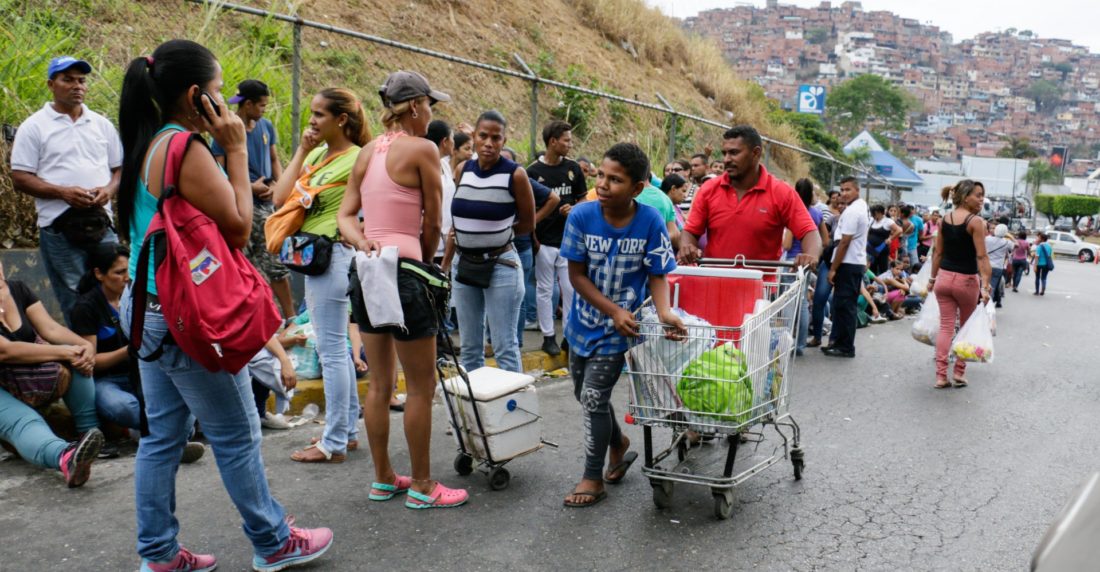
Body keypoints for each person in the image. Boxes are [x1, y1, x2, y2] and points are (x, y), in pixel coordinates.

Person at [117, 39, 332, 571]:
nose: (225, 105)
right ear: (196, 95)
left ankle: (159, 554)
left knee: (162, 437)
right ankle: (274, 541)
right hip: (183, 313)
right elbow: (238, 228)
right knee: (237, 433)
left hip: (146, 305)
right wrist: (235, 149)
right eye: (217, 91)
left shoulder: (150, 140)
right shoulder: (185, 147)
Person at [338, 70, 468, 510]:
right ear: (414, 106)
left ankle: (383, 478)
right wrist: (425, 262)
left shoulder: (367, 152)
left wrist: (362, 241)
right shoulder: (424, 148)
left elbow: (345, 216)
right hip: (407, 271)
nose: (431, 113)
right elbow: (432, 222)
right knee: (419, 386)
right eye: (430, 104)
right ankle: (424, 485)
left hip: (367, 271)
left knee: (379, 384)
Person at [559, 142, 685, 508]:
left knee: (594, 396)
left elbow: (657, 273)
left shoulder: (650, 221)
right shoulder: (581, 216)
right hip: (582, 325)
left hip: (621, 330)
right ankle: (618, 443)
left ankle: (592, 478)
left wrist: (664, 313)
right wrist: (611, 309)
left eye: (615, 179)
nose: (603, 184)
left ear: (637, 188)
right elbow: (576, 276)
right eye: (601, 175)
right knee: (585, 396)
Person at [269, 87, 368, 464]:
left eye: (319, 114)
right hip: (313, 258)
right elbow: (280, 198)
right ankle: (347, 431)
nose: (311, 120)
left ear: (341, 119)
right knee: (335, 348)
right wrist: (300, 150)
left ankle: (334, 441)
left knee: (332, 350)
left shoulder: (357, 157)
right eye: (311, 113)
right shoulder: (315, 155)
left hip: (334, 256)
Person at [10, 56, 122, 323]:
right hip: (59, 227)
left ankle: (118, 347)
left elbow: (119, 169)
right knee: (75, 296)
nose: (77, 86)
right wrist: (63, 193)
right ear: (51, 84)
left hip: (102, 223)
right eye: (68, 80)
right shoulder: (34, 127)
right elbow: (20, 177)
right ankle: (83, 350)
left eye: (81, 81)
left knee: (116, 287)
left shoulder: (101, 125)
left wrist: (109, 189)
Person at [70, 244, 206, 460]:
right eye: (119, 272)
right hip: (107, 380)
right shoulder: (85, 307)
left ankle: (156, 437)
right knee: (122, 406)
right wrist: (130, 349)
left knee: (178, 403)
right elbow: (92, 360)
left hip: (143, 373)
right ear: (99, 274)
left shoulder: (138, 296)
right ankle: (165, 438)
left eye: (128, 271)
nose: (126, 278)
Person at [442, 110, 535, 373]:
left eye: (496, 138)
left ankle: (512, 400)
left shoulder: (515, 175)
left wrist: (497, 234)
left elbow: (528, 223)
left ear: (504, 141)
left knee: (504, 347)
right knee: (470, 348)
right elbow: (457, 223)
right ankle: (478, 401)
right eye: (483, 136)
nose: (489, 143)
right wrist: (447, 264)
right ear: (474, 136)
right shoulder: (462, 170)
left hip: (500, 265)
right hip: (464, 265)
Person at [0, 259, 105, 487]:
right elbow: (5, 351)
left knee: (77, 359)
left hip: (27, 375)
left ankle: (89, 435)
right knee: (24, 422)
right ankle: (65, 457)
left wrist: (83, 347)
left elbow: (51, 328)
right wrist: (66, 351)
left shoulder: (16, 288)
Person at [209, 79, 295, 320]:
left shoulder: (266, 126)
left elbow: (274, 159)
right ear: (248, 104)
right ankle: (253, 318)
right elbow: (218, 172)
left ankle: (290, 317)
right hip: (242, 208)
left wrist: (278, 185)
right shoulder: (225, 133)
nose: (264, 109)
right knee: (245, 264)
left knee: (276, 264)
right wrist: (249, 187)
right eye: (262, 105)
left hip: (267, 207)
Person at [679, 125, 820, 267]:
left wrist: (811, 256)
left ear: (756, 153)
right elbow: (690, 231)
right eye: (724, 153)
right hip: (712, 278)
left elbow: (809, 232)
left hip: (761, 281)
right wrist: (687, 247)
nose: (726, 159)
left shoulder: (781, 192)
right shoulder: (709, 189)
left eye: (734, 153)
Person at [527, 120, 588, 356]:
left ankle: (569, 335)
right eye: (566, 140)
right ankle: (548, 336)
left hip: (569, 240)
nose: (570, 144)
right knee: (545, 289)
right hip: (544, 241)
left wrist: (574, 209)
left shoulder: (573, 168)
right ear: (553, 142)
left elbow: (583, 200)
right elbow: (527, 207)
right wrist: (533, 236)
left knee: (571, 288)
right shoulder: (532, 172)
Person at [928, 180, 992, 389]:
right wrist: (985, 285)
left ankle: (940, 376)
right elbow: (982, 257)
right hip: (966, 281)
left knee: (946, 327)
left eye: (982, 195)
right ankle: (958, 372)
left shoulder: (943, 220)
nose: (981, 199)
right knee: (965, 327)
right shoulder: (976, 222)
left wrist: (932, 279)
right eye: (978, 195)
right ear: (965, 197)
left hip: (944, 279)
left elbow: (938, 253)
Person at [822, 176, 869, 358]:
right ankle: (838, 342)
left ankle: (846, 347)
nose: (844, 193)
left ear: (857, 190)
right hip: (853, 262)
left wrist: (833, 269)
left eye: (848, 189)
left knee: (845, 306)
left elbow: (844, 242)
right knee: (842, 305)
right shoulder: (860, 206)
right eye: (842, 189)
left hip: (848, 263)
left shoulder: (852, 211)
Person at [783, 178, 828, 355]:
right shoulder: (817, 213)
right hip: (809, 262)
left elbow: (787, 244)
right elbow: (825, 240)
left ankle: (786, 344)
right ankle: (800, 344)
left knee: (787, 303)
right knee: (802, 303)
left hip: (791, 262)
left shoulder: (794, 212)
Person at [867, 204, 901, 275]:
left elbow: (899, 230)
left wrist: (890, 238)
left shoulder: (888, 221)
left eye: (874, 213)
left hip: (882, 250)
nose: (872, 215)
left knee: (883, 269)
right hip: (871, 250)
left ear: (879, 213)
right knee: (871, 268)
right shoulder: (872, 220)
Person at [984, 223, 1012, 308]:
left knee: (983, 286)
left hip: (986, 266)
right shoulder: (1007, 242)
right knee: (992, 287)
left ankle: (981, 305)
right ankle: (988, 307)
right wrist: (1010, 236)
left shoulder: (987, 239)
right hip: (998, 267)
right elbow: (1016, 245)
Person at [903, 205, 924, 269]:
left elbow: (921, 232)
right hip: (902, 246)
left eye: (913, 209)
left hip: (913, 246)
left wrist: (917, 240)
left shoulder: (919, 220)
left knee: (915, 265)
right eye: (909, 209)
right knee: (903, 266)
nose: (911, 211)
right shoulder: (902, 218)